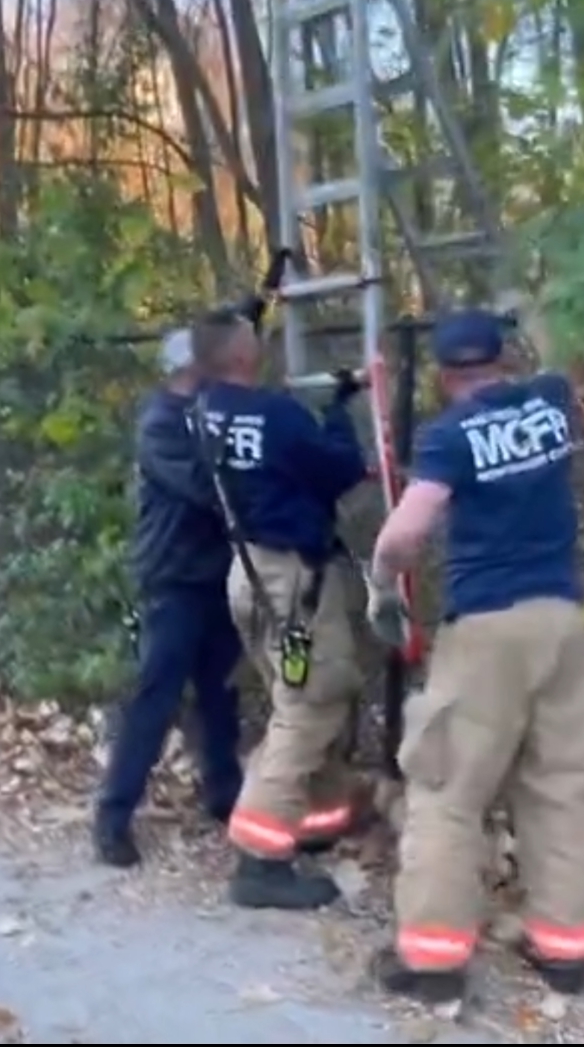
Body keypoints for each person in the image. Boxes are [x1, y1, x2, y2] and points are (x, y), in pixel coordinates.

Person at [363, 305, 584, 1003]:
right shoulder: (549, 399)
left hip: (488, 630)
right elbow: (568, 355)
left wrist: (383, 584)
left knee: (448, 790)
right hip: (562, 618)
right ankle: (569, 949)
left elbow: (403, 534)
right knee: (560, 783)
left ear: (445, 375)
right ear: (504, 359)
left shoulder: (450, 437)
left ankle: (434, 963)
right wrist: (531, 305)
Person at [188, 306, 371, 910]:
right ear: (242, 355)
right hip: (293, 583)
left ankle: (313, 821)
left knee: (296, 699)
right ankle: (259, 858)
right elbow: (339, 470)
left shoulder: (202, 411)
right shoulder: (276, 414)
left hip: (246, 575)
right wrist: (341, 411)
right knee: (312, 707)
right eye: (252, 338)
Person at [94, 327, 245, 868]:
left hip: (217, 574)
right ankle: (112, 817)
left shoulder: (211, 413)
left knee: (220, 693)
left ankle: (224, 794)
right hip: (174, 579)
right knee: (156, 698)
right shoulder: (161, 423)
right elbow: (208, 490)